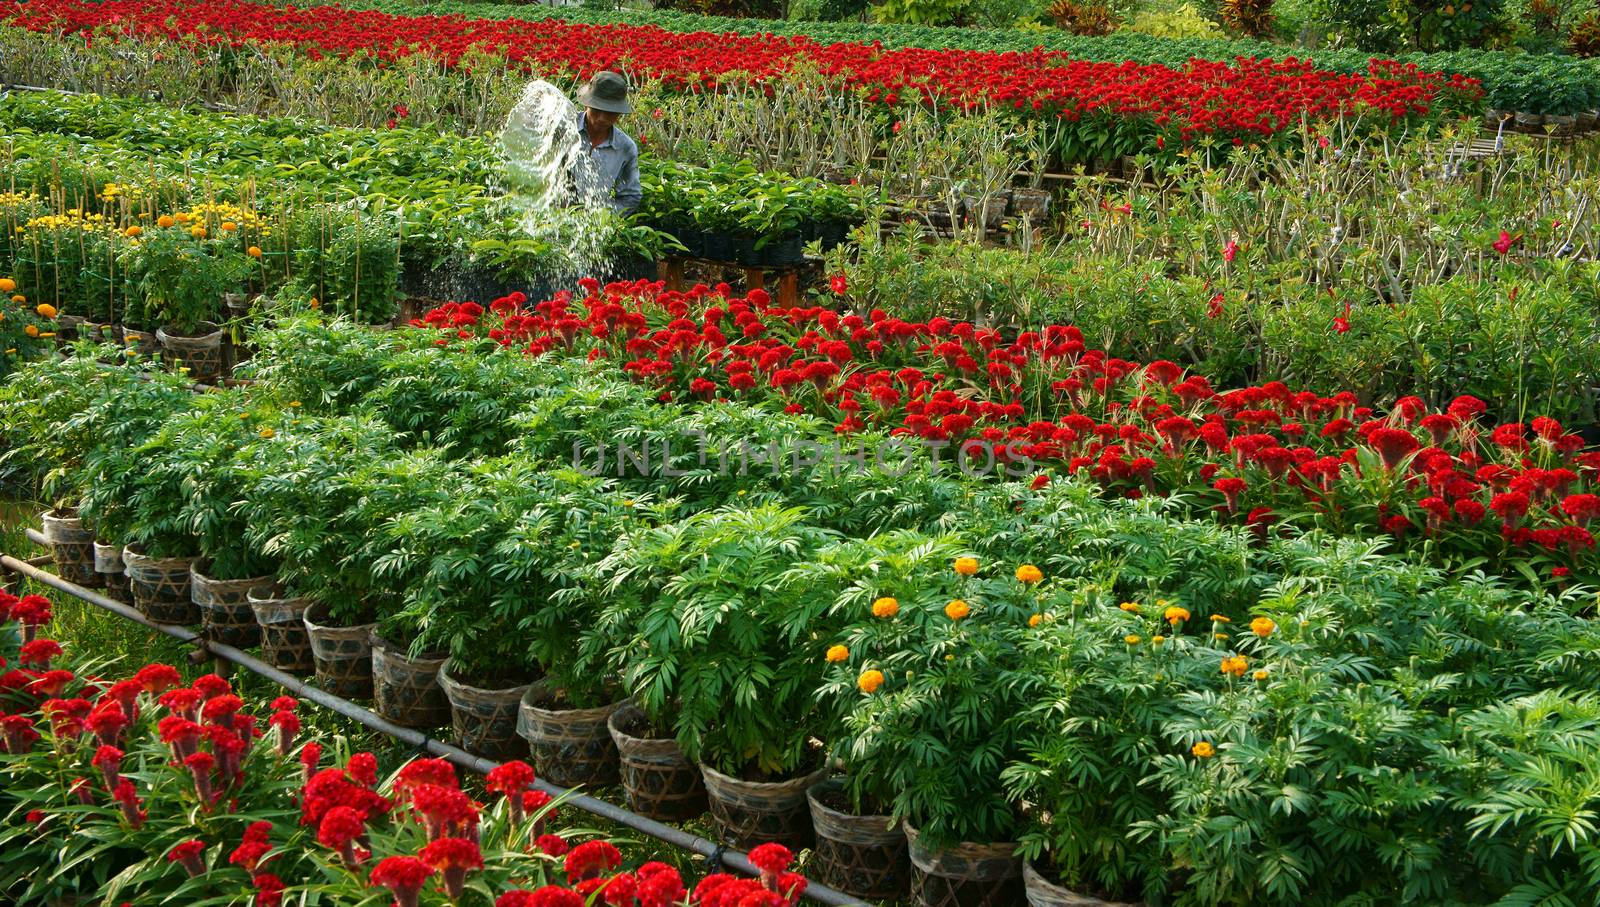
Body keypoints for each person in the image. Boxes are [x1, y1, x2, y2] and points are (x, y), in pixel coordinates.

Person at [576, 71, 642, 215]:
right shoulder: (564, 130)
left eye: (610, 112)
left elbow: (630, 196)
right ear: (586, 105)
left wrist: (601, 218)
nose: (602, 118)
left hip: (593, 225)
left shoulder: (625, 147)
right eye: (597, 110)